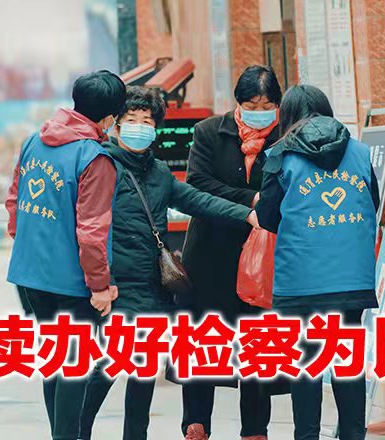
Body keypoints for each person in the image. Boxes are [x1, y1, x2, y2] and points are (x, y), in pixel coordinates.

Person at [79, 86, 260, 440]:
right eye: (132, 119)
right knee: (110, 364)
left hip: (154, 286)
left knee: (144, 372)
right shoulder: (103, 166)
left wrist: (246, 214)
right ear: (117, 124)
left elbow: (198, 200)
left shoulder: (159, 172)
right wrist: (98, 281)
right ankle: (77, 431)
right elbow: (87, 226)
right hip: (118, 286)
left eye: (147, 121)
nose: (139, 127)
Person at [254, 84, 380, 440]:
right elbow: (372, 201)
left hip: (301, 280)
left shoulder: (280, 155)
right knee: (346, 362)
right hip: (351, 278)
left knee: (306, 365)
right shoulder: (359, 151)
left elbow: (266, 218)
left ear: (287, 116)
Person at [5, 70, 124, 440]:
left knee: (55, 361)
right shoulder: (94, 158)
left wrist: (31, 246)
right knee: (74, 364)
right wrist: (100, 286)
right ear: (110, 116)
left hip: (29, 275)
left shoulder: (33, 141)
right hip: (71, 282)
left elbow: (14, 202)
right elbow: (92, 232)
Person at [179, 64, 283, 440]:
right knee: (205, 338)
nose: (260, 112)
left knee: (258, 341)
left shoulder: (286, 136)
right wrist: (251, 200)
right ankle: (196, 422)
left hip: (262, 256)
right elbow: (197, 184)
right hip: (210, 254)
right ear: (237, 103)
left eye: (268, 105)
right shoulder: (209, 131)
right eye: (252, 105)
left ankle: (255, 428)